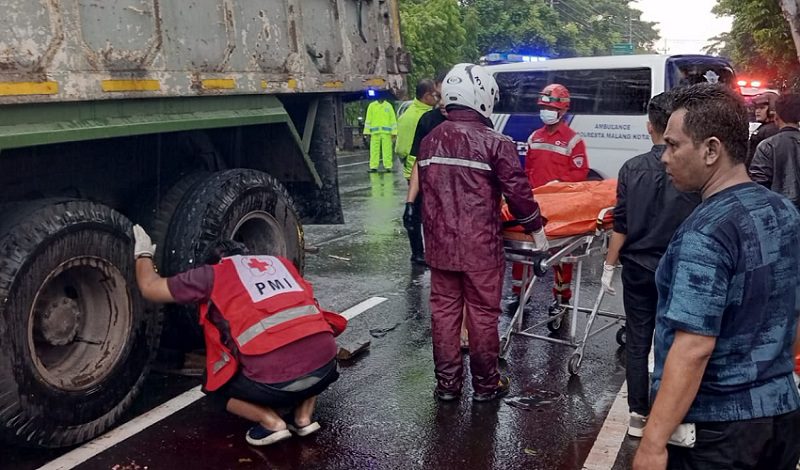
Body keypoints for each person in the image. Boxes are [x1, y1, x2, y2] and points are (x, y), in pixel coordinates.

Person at [633, 84, 800, 469]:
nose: (664, 157)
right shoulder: (783, 212)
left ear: (711, 150)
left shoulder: (706, 232)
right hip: (781, 418)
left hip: (718, 433)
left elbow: (694, 347)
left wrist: (653, 443)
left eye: (674, 145)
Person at [132, 227, 345, 446]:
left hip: (273, 382)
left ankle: (271, 423)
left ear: (214, 262)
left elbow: (150, 288)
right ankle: (303, 418)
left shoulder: (211, 274)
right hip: (326, 368)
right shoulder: (281, 264)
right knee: (307, 350)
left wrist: (143, 255)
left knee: (215, 387)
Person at [417, 63, 548, 402]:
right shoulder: (496, 142)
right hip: (480, 249)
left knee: (445, 314)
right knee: (482, 316)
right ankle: (486, 386)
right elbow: (518, 193)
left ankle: (447, 387)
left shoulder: (431, 140)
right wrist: (536, 230)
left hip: (440, 246)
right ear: (482, 97)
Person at [601, 92, 700, 438]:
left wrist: (608, 266)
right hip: (677, 266)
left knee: (638, 339)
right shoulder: (690, 169)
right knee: (675, 341)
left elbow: (621, 223)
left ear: (649, 127)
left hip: (638, 267)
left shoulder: (631, 168)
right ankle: (673, 415)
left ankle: (637, 415)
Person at [511, 83, 589, 315]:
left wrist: (559, 186)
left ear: (563, 111)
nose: (545, 112)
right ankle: (519, 294)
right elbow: (528, 171)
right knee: (523, 250)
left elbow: (580, 173)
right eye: (543, 107)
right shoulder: (534, 137)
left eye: (549, 108)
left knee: (561, 255)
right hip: (535, 204)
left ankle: (561, 299)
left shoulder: (573, 141)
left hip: (560, 206)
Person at [397, 79, 439, 265]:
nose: (438, 100)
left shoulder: (416, 113)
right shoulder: (418, 117)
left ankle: (422, 252)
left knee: (422, 213)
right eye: (436, 95)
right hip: (418, 172)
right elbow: (406, 149)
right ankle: (418, 253)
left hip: (419, 171)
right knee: (418, 214)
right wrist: (413, 173)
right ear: (426, 96)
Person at [748, 93, 800, 209]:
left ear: (776, 116)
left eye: (762, 108)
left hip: (779, 213)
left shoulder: (767, 145)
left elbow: (758, 186)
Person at [745, 91, 779, 168]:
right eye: (756, 108)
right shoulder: (764, 128)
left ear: (772, 110)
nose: (757, 111)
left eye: (762, 108)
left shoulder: (770, 130)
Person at [363, 96, 397, 173]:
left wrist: (394, 132)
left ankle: (388, 166)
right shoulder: (372, 106)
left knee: (387, 150)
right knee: (374, 150)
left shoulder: (388, 106)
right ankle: (373, 167)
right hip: (375, 133)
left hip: (386, 133)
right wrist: (367, 132)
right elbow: (368, 119)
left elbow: (393, 119)